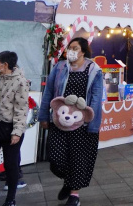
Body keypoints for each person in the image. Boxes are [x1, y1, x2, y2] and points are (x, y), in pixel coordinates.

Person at [38, 38, 104, 206]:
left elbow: (96, 97)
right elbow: (49, 92)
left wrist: (92, 123)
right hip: (59, 120)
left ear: (83, 51)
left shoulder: (94, 70)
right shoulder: (59, 67)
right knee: (55, 158)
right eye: (69, 48)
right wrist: (43, 115)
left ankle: (74, 194)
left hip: (81, 123)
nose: (71, 51)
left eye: (75, 48)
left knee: (78, 158)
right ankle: (69, 181)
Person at [0, 51, 29, 206]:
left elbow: (22, 109)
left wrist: (17, 132)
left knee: (11, 165)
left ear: (5, 65)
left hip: (11, 130)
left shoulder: (20, 82)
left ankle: (10, 199)